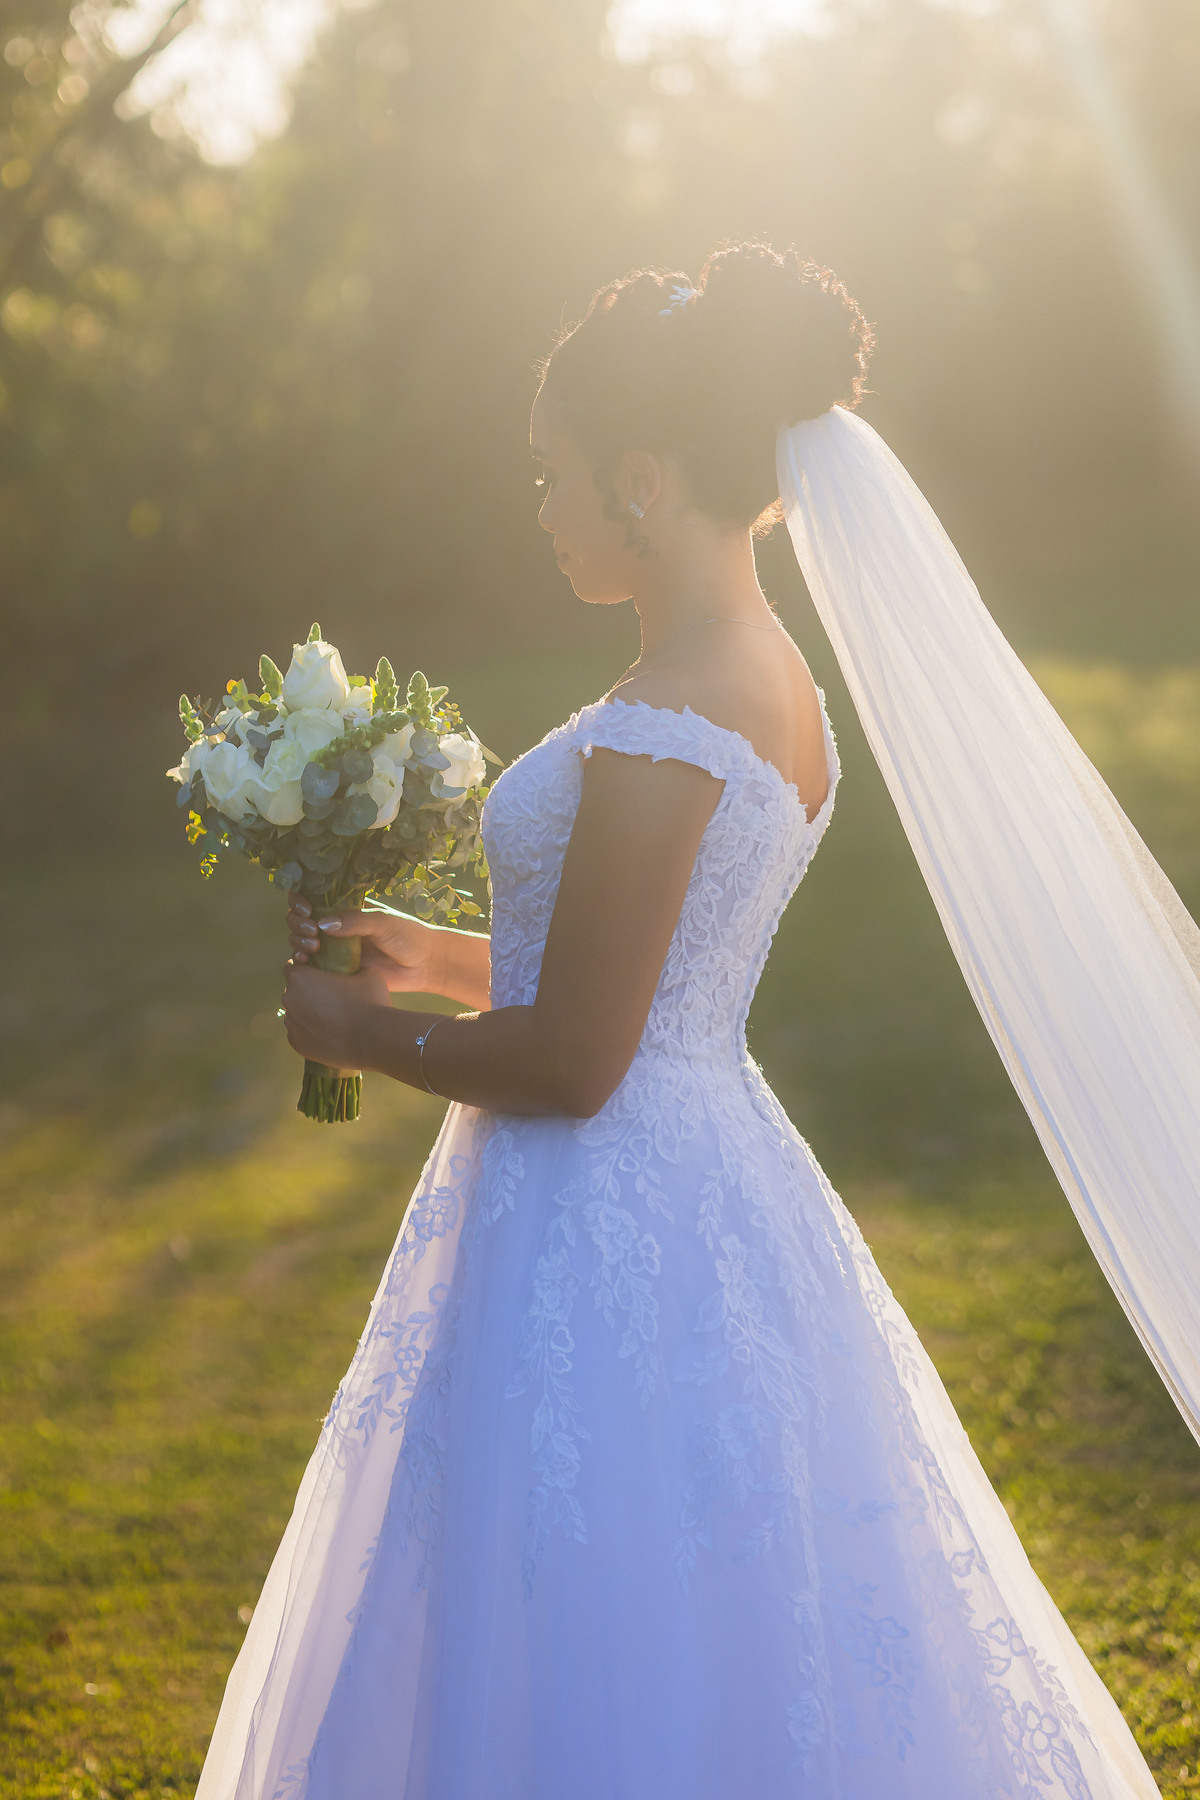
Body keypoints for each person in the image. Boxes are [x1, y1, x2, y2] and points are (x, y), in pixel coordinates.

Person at [195, 244, 1163, 1799]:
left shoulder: (672, 717)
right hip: (705, 1162)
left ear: (641, 481)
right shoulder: (766, 680)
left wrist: (350, 1035)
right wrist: (428, 957)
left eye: (553, 473)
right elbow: (649, 973)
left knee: (586, 1601)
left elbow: (580, 1060)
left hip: (601, 1208)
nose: (541, 506)